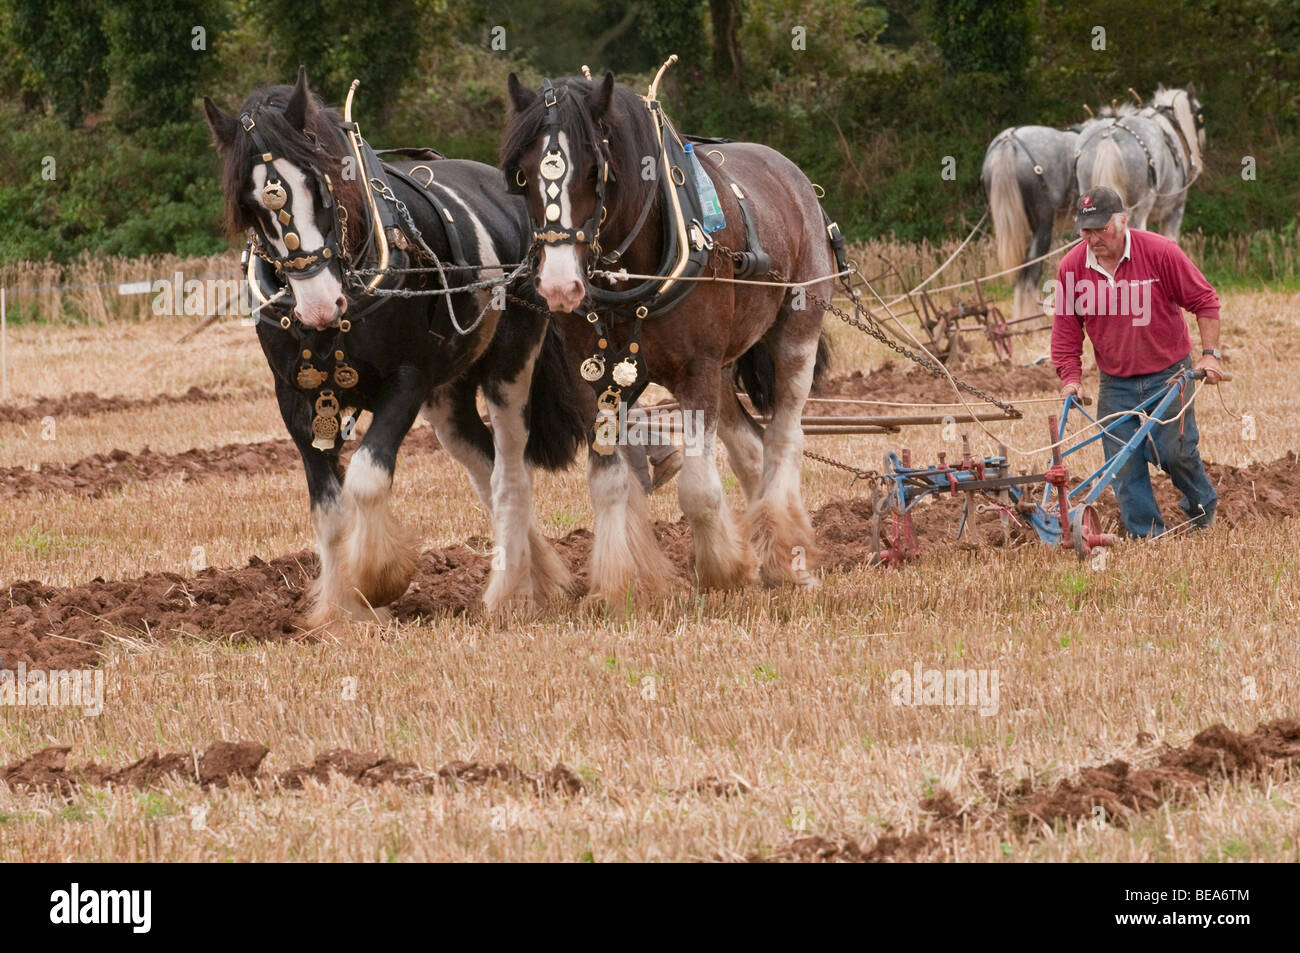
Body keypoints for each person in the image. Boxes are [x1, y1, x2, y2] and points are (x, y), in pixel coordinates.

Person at [1051, 186, 1224, 537]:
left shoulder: (1160, 252)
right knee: (1123, 465)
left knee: (1175, 454)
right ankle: (1147, 537)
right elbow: (1066, 331)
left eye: (1102, 229)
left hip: (1169, 374)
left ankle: (1201, 505)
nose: (1095, 238)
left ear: (1123, 220)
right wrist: (1071, 377)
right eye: (1087, 231)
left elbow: (1205, 300)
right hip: (1115, 382)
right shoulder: (1071, 268)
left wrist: (1210, 355)